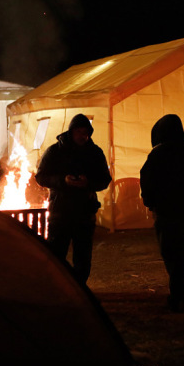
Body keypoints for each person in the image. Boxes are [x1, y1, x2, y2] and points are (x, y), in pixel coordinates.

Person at [140, 114, 184, 312]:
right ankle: (183, 292)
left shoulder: (158, 153)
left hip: (164, 209)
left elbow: (147, 178)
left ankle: (177, 294)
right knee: (179, 249)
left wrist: (150, 201)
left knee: (169, 250)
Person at [35, 114, 112, 283]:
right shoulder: (55, 151)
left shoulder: (95, 153)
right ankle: (57, 287)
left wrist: (88, 183)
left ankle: (79, 289)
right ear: (71, 132)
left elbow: (105, 179)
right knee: (56, 255)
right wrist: (63, 180)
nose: (82, 135)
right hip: (60, 211)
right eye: (79, 131)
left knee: (83, 257)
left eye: (85, 132)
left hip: (84, 212)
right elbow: (41, 176)